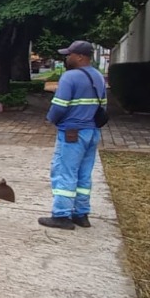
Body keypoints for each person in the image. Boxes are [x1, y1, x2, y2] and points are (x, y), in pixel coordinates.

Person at [41, 40, 106, 230]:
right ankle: (81, 214)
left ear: (80, 56)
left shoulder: (70, 77)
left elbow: (59, 106)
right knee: (84, 175)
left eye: (69, 54)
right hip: (92, 132)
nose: (66, 57)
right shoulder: (99, 77)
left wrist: (50, 119)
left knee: (64, 172)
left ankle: (61, 215)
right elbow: (103, 107)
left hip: (72, 133)